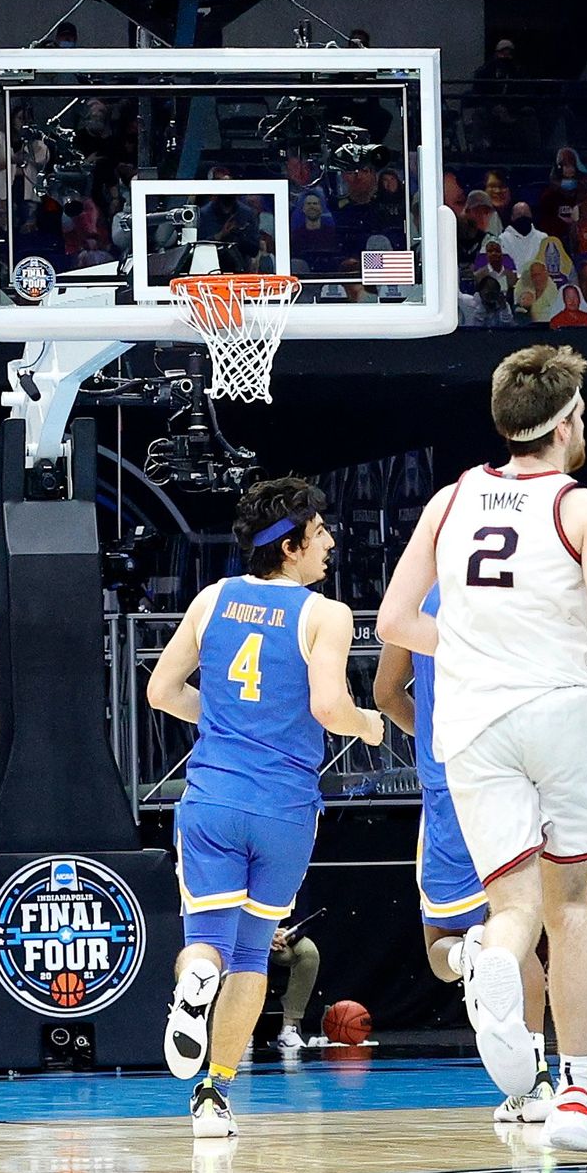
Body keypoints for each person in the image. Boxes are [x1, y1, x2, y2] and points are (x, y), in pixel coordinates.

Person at [377, 346, 587, 1153]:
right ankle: (575, 1092)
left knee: (514, 909)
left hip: (472, 721)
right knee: (569, 909)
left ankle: (492, 957)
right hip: (557, 710)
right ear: (564, 424)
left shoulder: (451, 498)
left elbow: (393, 624)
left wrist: (467, 652)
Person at [145, 479, 385, 1139]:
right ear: (290, 546)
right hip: (284, 810)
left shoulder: (211, 600)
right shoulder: (324, 614)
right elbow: (330, 708)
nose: (332, 542)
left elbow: (161, 690)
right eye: (321, 534)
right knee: (252, 956)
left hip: (214, 799)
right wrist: (369, 725)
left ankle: (194, 987)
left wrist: (223, 725)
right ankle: (214, 1095)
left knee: (206, 947)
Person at [374, 584, 555, 1121]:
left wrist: (429, 733)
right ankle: (538, 1082)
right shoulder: (521, 580)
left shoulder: (419, 596)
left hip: (448, 785)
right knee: (520, 931)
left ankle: (467, 959)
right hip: (513, 778)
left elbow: (386, 695)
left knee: (442, 945)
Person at [266, 919, 321, 1051]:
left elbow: (302, 915)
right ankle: (239, 1029)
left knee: (308, 952)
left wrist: (289, 935)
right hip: (245, 936)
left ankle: (289, 1026)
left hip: (280, 939)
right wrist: (265, 935)